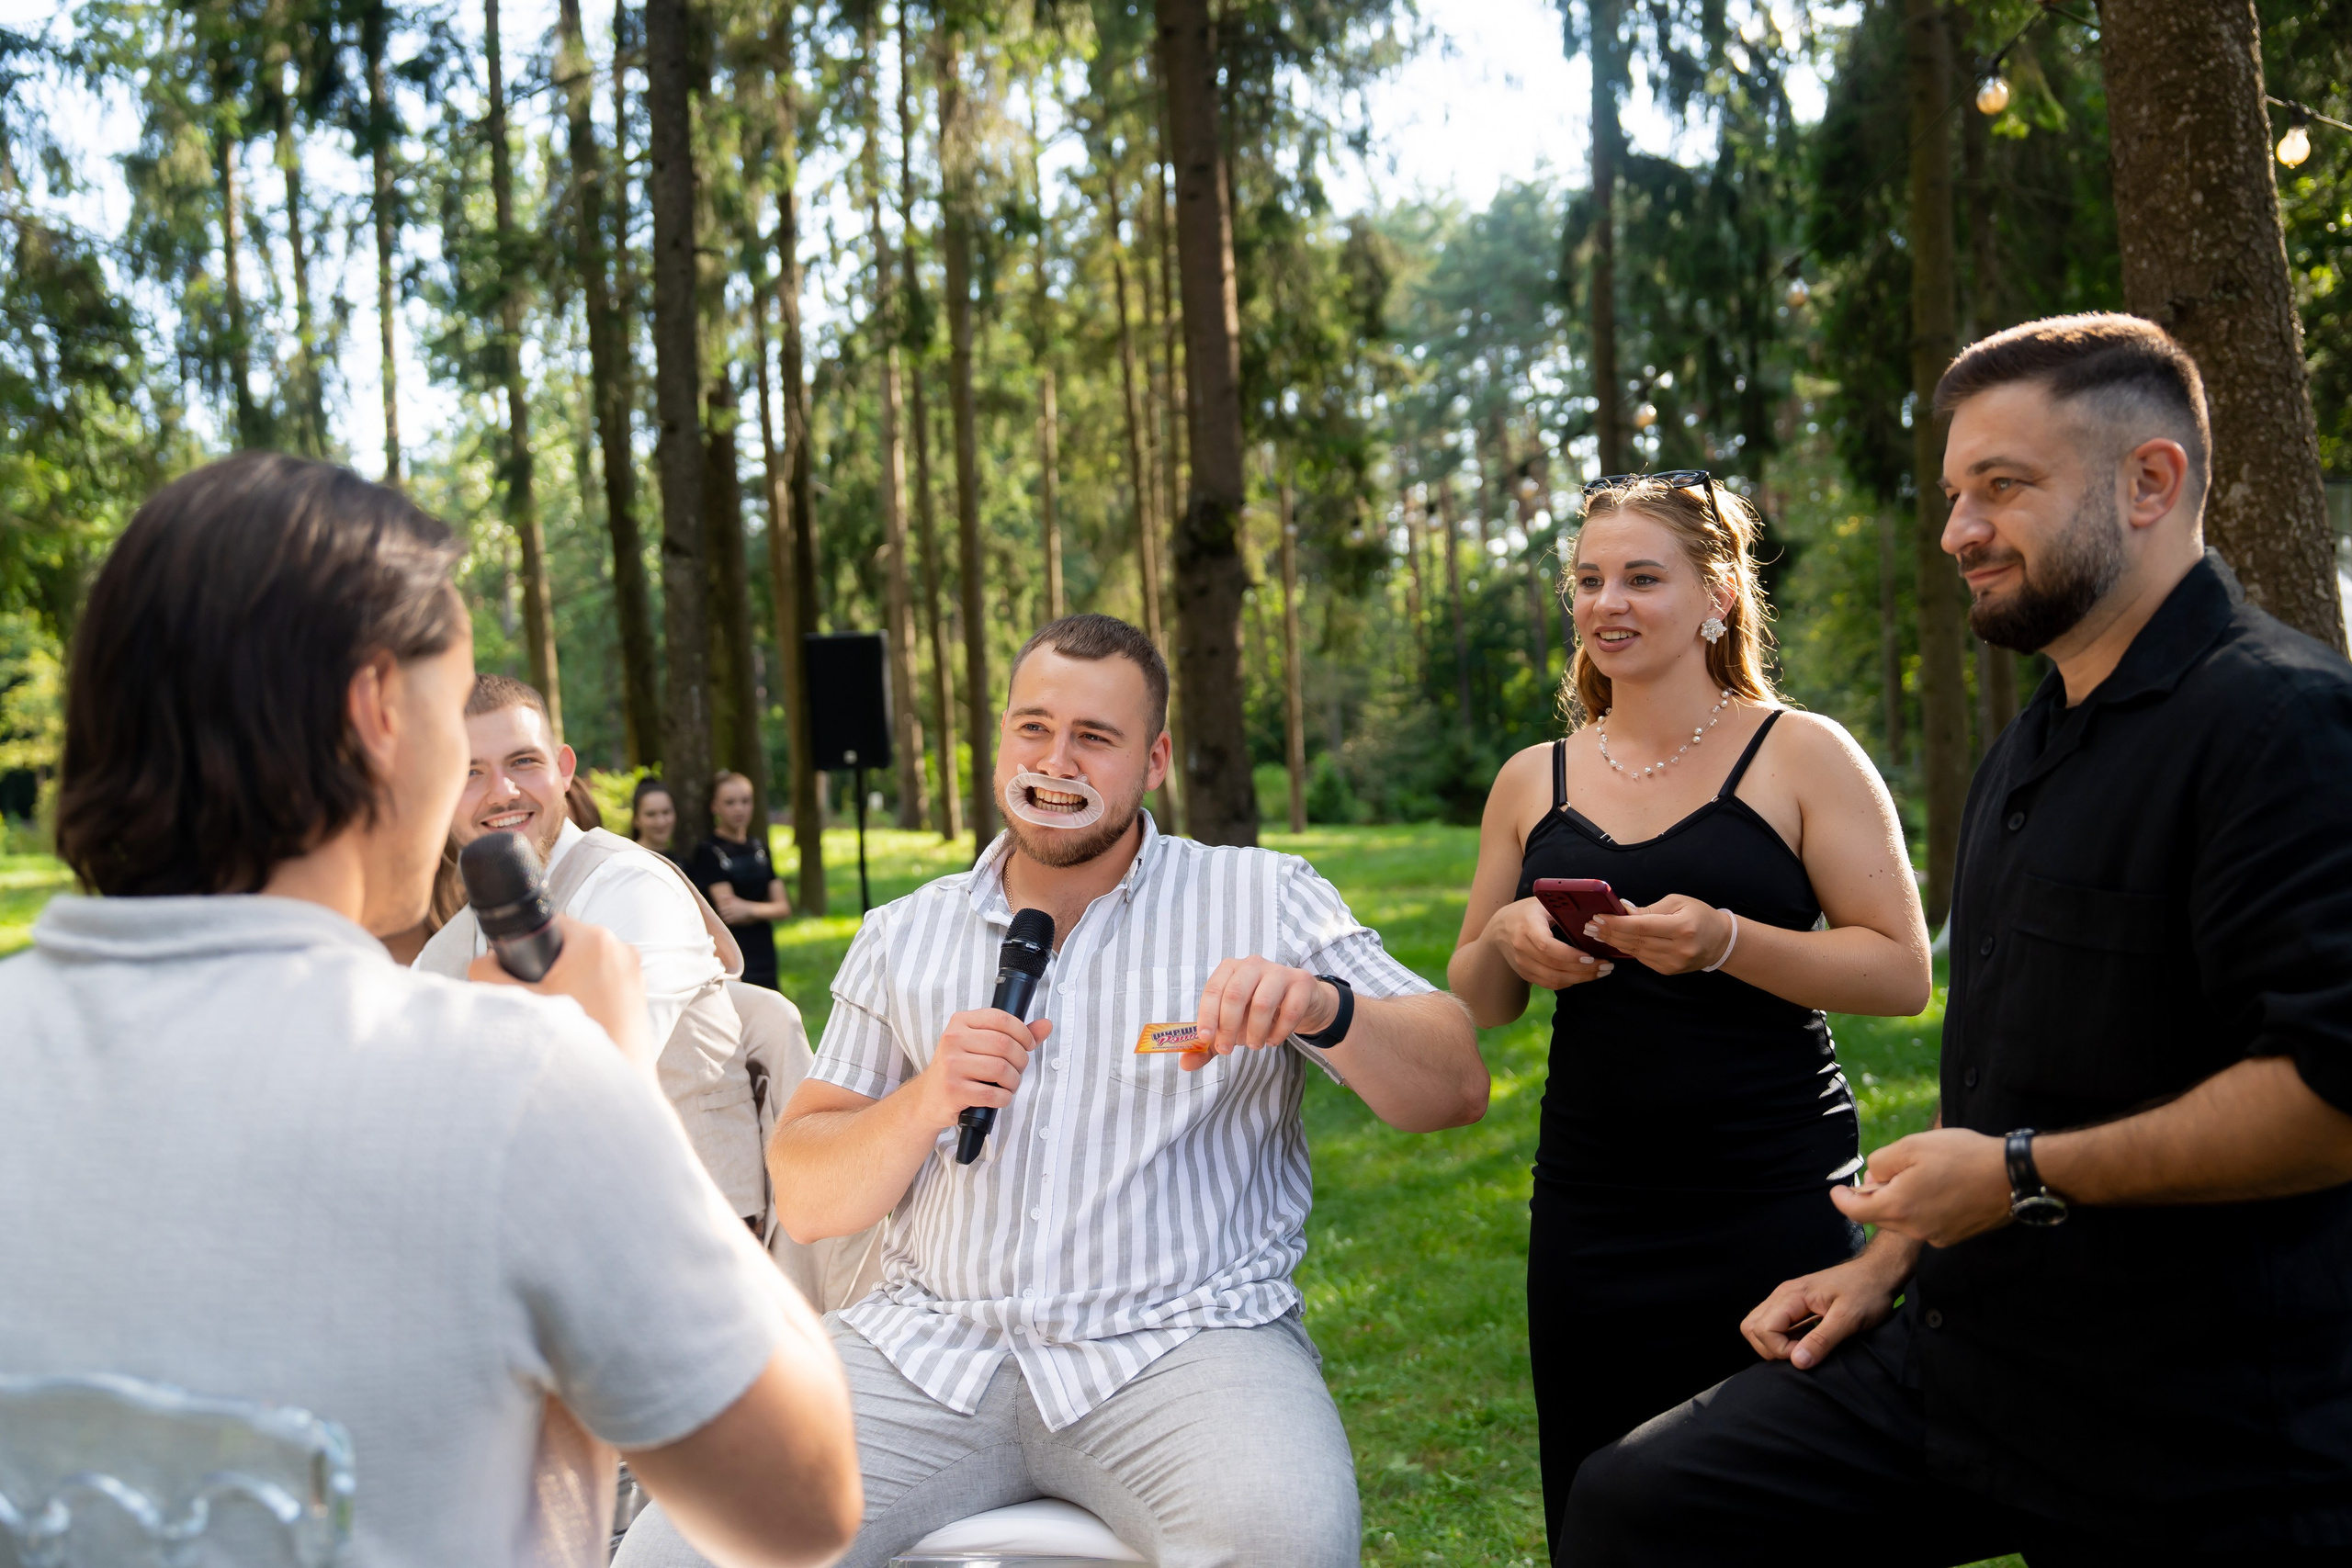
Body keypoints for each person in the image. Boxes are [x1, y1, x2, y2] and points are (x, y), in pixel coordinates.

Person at [1560, 314, 2352, 1563]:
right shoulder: (2031, 746)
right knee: (1635, 1501)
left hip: (2196, 1411)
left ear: (2150, 482)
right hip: (1968, 1353)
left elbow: (2331, 1099)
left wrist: (2024, 1173)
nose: (1957, 531)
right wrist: (1888, 1257)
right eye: (1952, 495)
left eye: (2003, 486)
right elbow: (2005, 1070)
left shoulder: (2283, 726)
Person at [0, 451, 858, 1566]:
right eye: (452, 718)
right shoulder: (515, 1086)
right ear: (377, 714)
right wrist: (605, 1087)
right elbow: (803, 1503)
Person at [616, 613, 1490, 1568]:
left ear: (1155, 760)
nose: (1055, 761)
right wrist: (924, 1100)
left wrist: (1327, 1007)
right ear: (1001, 738)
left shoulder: (1262, 897)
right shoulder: (903, 932)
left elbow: (1453, 1081)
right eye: (1033, 727)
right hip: (926, 1352)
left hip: (1186, 1346)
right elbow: (808, 1194)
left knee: (1286, 1542)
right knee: (673, 1556)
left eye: (1094, 737)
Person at [1446, 471, 1931, 1551]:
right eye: (1587, 580)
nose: (1606, 603)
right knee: (1598, 1509)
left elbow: (1902, 974)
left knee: (1770, 1520)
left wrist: (1727, 943)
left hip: (1771, 1197)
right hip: (1591, 1210)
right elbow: (1476, 999)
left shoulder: (1801, 753)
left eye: (1640, 578)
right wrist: (1509, 937)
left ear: (1717, 595)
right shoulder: (1532, 779)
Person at [418, 677, 774, 1231]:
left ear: (564, 769)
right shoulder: (446, 949)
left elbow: (595, 1086)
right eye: (470, 772)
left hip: (687, 1235)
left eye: (523, 762)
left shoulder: (632, 886)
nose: (503, 792)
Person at [687, 771, 790, 991]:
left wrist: (749, 909)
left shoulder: (759, 848)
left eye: (745, 801)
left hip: (765, 951)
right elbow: (729, 910)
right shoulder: (708, 852)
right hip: (733, 953)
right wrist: (765, 909)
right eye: (730, 802)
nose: (739, 809)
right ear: (714, 806)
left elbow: (783, 907)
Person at [633, 776, 683, 863]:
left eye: (666, 812)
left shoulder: (681, 864)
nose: (660, 822)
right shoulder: (628, 861)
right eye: (651, 814)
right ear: (636, 819)